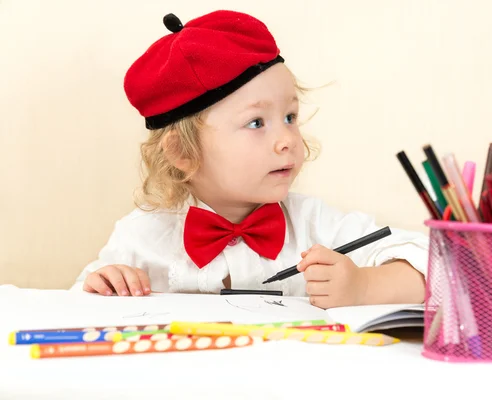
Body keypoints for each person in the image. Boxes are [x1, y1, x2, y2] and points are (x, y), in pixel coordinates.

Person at [71, 10, 429, 309]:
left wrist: (364, 286)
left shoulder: (316, 224)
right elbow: (76, 307)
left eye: (290, 117)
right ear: (182, 152)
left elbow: (434, 266)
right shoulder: (140, 236)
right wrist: (103, 283)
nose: (287, 140)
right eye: (256, 123)